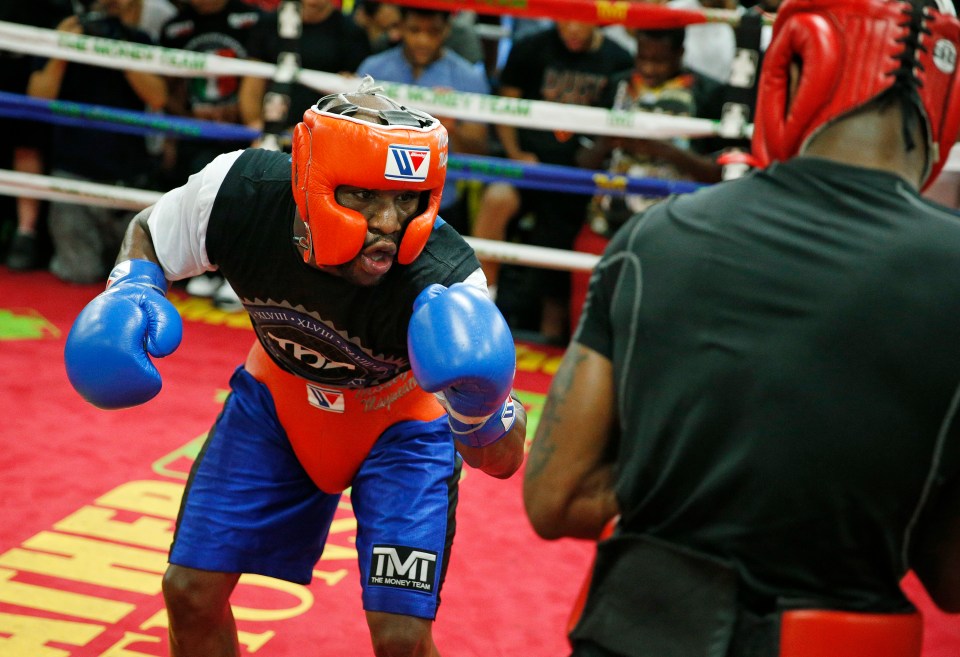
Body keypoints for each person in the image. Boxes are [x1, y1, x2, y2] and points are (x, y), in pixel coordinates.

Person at [523, 1, 960, 656]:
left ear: (789, 62)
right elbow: (952, 577)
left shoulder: (653, 238)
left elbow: (556, 497)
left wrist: (689, 455)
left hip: (637, 632)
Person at [63, 80, 527, 657]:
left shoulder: (447, 281)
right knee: (188, 591)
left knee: (402, 640)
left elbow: (505, 462)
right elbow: (149, 232)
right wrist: (133, 284)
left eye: (406, 200)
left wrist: (481, 407)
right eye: (364, 196)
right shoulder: (238, 193)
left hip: (399, 427)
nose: (388, 222)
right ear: (310, 182)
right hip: (277, 404)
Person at [472, 20, 632, 343]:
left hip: (578, 178)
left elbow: (618, 125)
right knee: (496, 200)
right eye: (565, 21)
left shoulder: (618, 59)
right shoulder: (530, 47)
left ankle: (552, 341)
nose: (573, 30)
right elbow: (506, 103)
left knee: (559, 254)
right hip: (527, 166)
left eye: (579, 24)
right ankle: (478, 309)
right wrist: (516, 153)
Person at [569, 26, 725, 333]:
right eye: (643, 58)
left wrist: (668, 151)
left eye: (660, 60)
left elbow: (721, 174)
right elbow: (581, 161)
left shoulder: (708, 93)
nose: (649, 68)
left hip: (673, 229)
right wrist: (609, 141)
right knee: (586, 316)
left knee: (656, 322)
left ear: (680, 54)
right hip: (605, 222)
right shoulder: (617, 85)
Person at [27, 0, 167, 284]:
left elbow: (158, 97)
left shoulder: (139, 40)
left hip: (128, 180)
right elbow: (37, 98)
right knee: (80, 274)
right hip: (73, 177)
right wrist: (64, 49)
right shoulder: (63, 34)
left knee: (132, 275)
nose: (111, 3)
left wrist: (117, 51)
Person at [358, 6, 491, 235]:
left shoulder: (468, 78)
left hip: (439, 203)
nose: (423, 40)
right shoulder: (372, 69)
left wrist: (451, 130)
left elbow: (478, 151)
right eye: (415, 30)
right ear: (400, 28)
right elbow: (353, 136)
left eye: (433, 32)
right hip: (373, 194)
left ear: (447, 30)